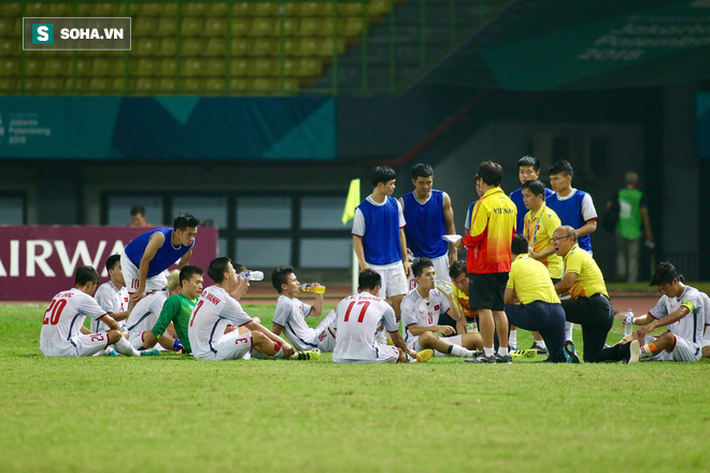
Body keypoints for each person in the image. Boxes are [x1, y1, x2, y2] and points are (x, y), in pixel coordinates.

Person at [188, 257, 318, 361]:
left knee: (246, 329)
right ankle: (291, 355)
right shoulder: (224, 300)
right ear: (226, 275)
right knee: (257, 335)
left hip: (199, 348)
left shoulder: (209, 290)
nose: (235, 272)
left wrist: (243, 282)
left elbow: (229, 301)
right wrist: (283, 341)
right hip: (210, 353)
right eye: (233, 269)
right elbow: (253, 327)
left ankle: (261, 352)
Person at [595, 262, 704, 363]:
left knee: (667, 337)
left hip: (691, 350)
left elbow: (682, 312)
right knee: (638, 336)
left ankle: (637, 354)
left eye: (665, 288)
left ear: (675, 281)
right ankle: (610, 354)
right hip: (668, 348)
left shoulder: (692, 294)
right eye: (661, 290)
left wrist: (655, 324)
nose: (664, 292)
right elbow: (649, 317)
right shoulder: (666, 298)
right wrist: (634, 320)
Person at [463, 161, 516, 364]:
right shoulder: (510, 204)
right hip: (503, 263)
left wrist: (462, 241)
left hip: (483, 264)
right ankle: (503, 352)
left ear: (482, 180)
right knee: (499, 309)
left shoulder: (483, 204)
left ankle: (487, 352)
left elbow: (475, 236)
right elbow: (512, 235)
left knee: (484, 309)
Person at [40, 265, 158, 357]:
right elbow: (111, 322)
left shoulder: (60, 294)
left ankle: (105, 350)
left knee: (88, 337)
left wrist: (96, 339)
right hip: (65, 349)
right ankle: (137, 353)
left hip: (46, 349)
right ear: (90, 284)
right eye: (94, 287)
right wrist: (121, 336)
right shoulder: (83, 298)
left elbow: (74, 325)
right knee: (115, 334)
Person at [504, 235, 579, 363]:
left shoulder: (514, 266)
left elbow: (507, 299)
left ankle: (499, 351)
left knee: (500, 311)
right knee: (556, 357)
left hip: (537, 312)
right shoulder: (539, 265)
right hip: (557, 312)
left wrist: (517, 300)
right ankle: (564, 352)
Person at [332, 269, 433, 364]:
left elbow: (337, 330)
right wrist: (408, 351)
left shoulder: (343, 302)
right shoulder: (383, 305)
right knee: (397, 350)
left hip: (339, 357)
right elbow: (397, 340)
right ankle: (411, 358)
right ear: (377, 288)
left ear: (359, 289)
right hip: (368, 356)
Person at [546, 160, 598, 341]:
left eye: (557, 179)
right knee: (565, 296)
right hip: (557, 255)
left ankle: (588, 336)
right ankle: (565, 339)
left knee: (580, 295)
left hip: (581, 253)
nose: (553, 183)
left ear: (568, 178)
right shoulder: (548, 201)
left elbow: (592, 225)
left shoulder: (583, 197)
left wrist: (570, 236)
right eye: (551, 179)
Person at [352, 165, 410, 319]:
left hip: (395, 263)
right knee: (377, 305)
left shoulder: (395, 204)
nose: (394, 187)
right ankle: (380, 338)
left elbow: (400, 231)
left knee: (401, 302)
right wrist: (364, 265)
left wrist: (405, 260)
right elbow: (357, 239)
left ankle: (396, 335)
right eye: (391, 183)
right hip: (373, 265)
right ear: (380, 185)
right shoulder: (362, 210)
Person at [552, 226, 614, 363]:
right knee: (593, 357)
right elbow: (569, 288)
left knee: (551, 310)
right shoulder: (578, 254)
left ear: (571, 239)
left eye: (558, 239)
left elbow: (567, 283)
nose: (554, 243)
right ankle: (626, 349)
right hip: (603, 309)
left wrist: (546, 293)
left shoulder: (574, 254)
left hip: (594, 305)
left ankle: (557, 353)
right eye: (552, 240)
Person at [519, 179, 565, 354]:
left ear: (540, 196)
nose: (525, 199)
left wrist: (539, 255)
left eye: (528, 196)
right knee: (531, 303)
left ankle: (555, 344)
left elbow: (559, 243)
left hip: (549, 268)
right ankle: (540, 343)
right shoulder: (527, 216)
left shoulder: (550, 216)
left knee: (546, 308)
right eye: (524, 196)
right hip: (534, 268)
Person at [401, 258, 481, 358]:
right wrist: (438, 328)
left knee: (476, 337)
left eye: (433, 273)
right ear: (418, 279)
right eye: (428, 275)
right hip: (415, 344)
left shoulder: (437, 293)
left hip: (437, 341)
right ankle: (466, 353)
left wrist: (450, 297)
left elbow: (457, 317)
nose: (433, 278)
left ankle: (492, 355)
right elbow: (413, 330)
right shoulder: (408, 300)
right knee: (428, 335)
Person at [122, 213, 198, 306]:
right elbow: (144, 261)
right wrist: (142, 287)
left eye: (194, 234)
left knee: (166, 297)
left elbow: (183, 265)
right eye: (189, 234)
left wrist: (182, 286)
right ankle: (130, 321)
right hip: (132, 263)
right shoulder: (160, 237)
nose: (191, 238)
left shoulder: (190, 243)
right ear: (178, 231)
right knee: (137, 298)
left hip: (153, 268)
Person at [400, 163, 457, 286]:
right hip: (415, 258)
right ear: (413, 182)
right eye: (421, 183)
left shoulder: (443, 198)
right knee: (414, 297)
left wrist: (454, 250)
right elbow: (398, 231)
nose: (426, 186)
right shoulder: (403, 203)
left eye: (429, 182)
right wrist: (403, 251)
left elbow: (450, 225)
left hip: (440, 257)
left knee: (445, 296)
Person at [137, 266, 204, 354]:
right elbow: (159, 328)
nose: (201, 286)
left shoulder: (201, 300)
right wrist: (142, 349)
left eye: (201, 283)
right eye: (197, 282)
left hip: (212, 340)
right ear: (185, 283)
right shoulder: (175, 300)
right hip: (202, 347)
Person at [271, 266, 336, 352]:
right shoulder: (285, 303)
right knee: (340, 321)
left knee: (339, 309)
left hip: (315, 334)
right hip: (310, 343)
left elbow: (316, 312)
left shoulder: (294, 301)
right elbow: (276, 329)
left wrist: (318, 295)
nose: (298, 283)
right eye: (294, 281)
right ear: (284, 286)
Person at [608, 172, 654, 283]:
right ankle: (631, 279)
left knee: (621, 253)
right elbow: (644, 214)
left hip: (621, 228)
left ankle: (621, 272)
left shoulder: (620, 193)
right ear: (636, 183)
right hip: (635, 230)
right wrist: (648, 232)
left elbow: (609, 206)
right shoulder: (639, 195)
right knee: (633, 256)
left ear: (625, 182)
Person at [126, 269, 180, 350]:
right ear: (179, 288)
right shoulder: (160, 299)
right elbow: (169, 328)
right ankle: (184, 348)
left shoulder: (174, 300)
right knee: (157, 332)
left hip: (154, 340)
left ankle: (183, 347)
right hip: (137, 337)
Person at [510, 156, 553, 235]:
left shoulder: (550, 195)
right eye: (522, 172)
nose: (525, 175)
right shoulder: (513, 196)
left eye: (529, 172)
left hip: (542, 243)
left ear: (537, 174)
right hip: (519, 242)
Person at [91, 254, 130, 334]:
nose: (125, 272)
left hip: (121, 334)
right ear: (111, 272)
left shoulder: (125, 291)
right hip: (104, 337)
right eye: (121, 268)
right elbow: (109, 317)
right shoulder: (105, 289)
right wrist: (131, 312)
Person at [448, 261, 479, 332]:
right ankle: (462, 341)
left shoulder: (477, 285)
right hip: (468, 316)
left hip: (483, 315)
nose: (460, 286)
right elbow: (460, 316)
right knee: (459, 320)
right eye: (456, 282)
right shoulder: (453, 288)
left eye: (463, 281)